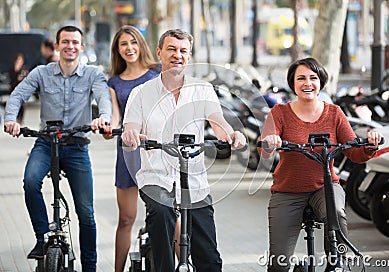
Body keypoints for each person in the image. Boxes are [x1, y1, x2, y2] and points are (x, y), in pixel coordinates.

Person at [121, 29, 246, 272]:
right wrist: (131, 134)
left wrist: (231, 134)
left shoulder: (202, 89)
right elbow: (131, 126)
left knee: (208, 254)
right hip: (156, 176)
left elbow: (217, 120)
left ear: (189, 56)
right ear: (159, 53)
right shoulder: (141, 93)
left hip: (194, 179)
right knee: (161, 212)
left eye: (183, 51)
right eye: (171, 49)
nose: (177, 55)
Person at [4, 25, 112, 272]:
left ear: (81, 47)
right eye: (65, 42)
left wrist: (103, 118)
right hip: (45, 142)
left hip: (76, 147)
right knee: (30, 182)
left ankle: (90, 267)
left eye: (75, 42)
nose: (70, 46)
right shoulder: (42, 73)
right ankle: (42, 237)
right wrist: (12, 119)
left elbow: (103, 98)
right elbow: (18, 95)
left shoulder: (92, 75)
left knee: (86, 213)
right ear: (57, 46)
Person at [259, 57, 382, 272]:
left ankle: (336, 265)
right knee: (278, 265)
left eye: (313, 78)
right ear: (293, 83)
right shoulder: (279, 113)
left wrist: (370, 145)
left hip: (324, 187)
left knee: (337, 213)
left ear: (321, 81)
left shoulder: (334, 113)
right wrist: (270, 143)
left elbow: (354, 152)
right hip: (287, 191)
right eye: (301, 78)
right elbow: (264, 152)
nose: (307, 83)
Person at [105, 25, 162, 272]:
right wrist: (109, 127)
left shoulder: (157, 73)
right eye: (123, 44)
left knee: (168, 216)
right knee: (126, 218)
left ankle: (180, 265)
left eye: (133, 42)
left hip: (157, 152)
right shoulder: (114, 82)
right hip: (127, 153)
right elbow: (116, 117)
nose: (129, 48)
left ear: (141, 45)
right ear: (117, 50)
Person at [8, 53, 29, 124]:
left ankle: (20, 118)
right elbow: (12, 79)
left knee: (22, 105)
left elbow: (27, 78)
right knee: (14, 104)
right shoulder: (12, 69)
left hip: (22, 90)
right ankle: (15, 117)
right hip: (14, 88)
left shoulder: (24, 69)